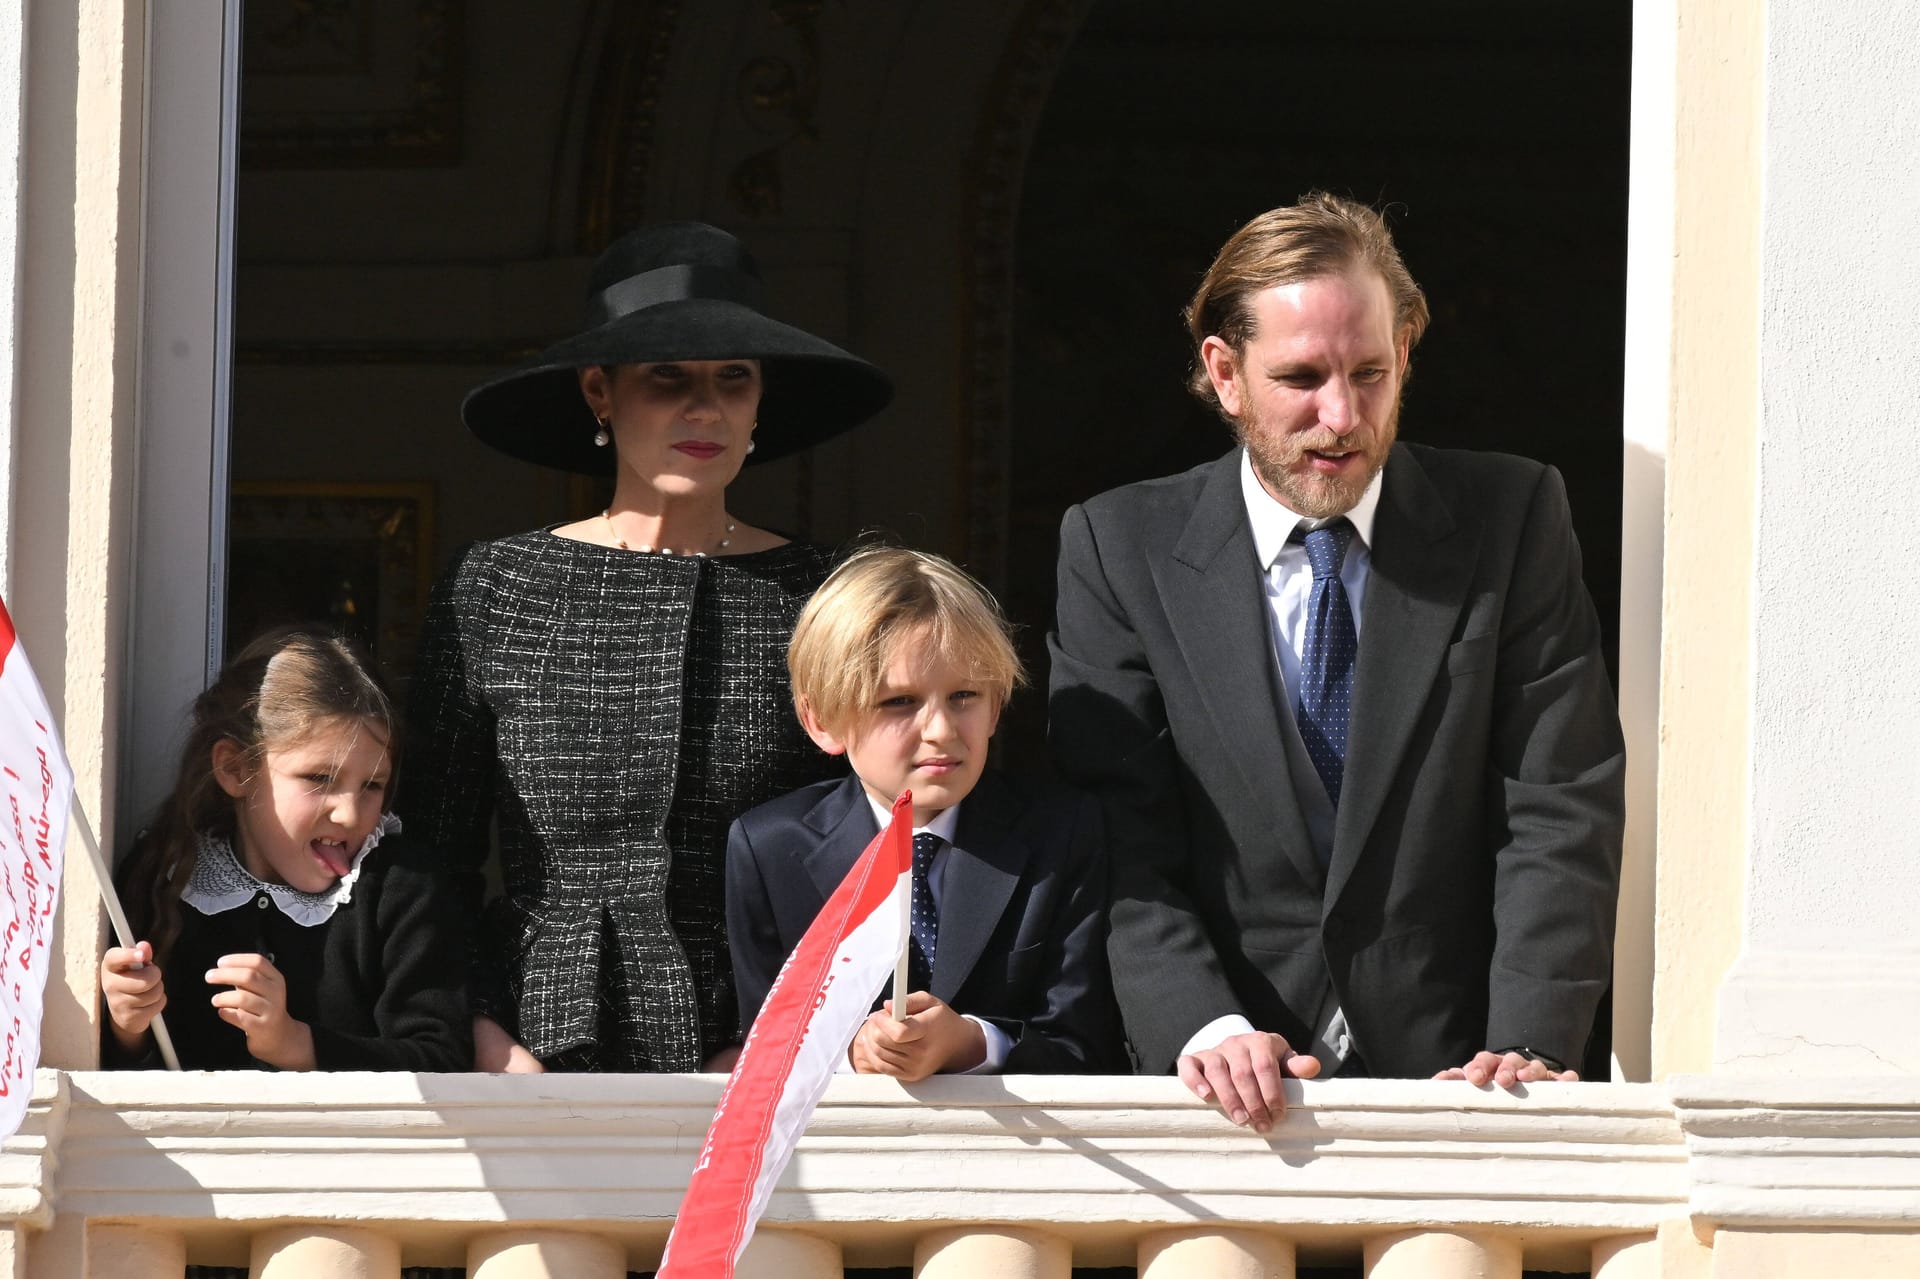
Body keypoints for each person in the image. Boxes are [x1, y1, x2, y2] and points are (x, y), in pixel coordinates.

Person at [1048, 192, 1626, 1129]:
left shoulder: (1513, 517)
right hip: (1219, 1097)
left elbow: (1560, 800)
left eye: (1371, 372)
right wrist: (1200, 1021)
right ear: (1225, 373)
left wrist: (1532, 1039)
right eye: (1304, 376)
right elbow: (1119, 835)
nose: (1343, 415)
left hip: (1467, 1087)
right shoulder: (1118, 546)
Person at [408, 222, 893, 1073]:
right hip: (532, 1052)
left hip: (773, 1051)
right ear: (601, 390)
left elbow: (874, 835)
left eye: (732, 380)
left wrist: (794, 1039)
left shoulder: (827, 588)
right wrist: (483, 1037)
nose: (703, 407)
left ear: (758, 402)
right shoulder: (497, 583)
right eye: (668, 377)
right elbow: (432, 857)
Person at [727, 547, 1121, 1078]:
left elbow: (1088, 1044)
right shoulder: (770, 847)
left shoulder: (1062, 833)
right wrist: (850, 1054)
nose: (940, 730)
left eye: (964, 695)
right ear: (821, 720)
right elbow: (765, 1048)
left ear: (996, 706)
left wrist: (973, 1043)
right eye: (898, 702)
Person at [99, 627, 471, 1071]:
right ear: (235, 770)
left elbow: (442, 1059)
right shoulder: (166, 876)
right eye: (319, 779)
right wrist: (128, 1028)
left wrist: (296, 1044)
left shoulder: (399, 889)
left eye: (372, 785)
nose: (351, 816)